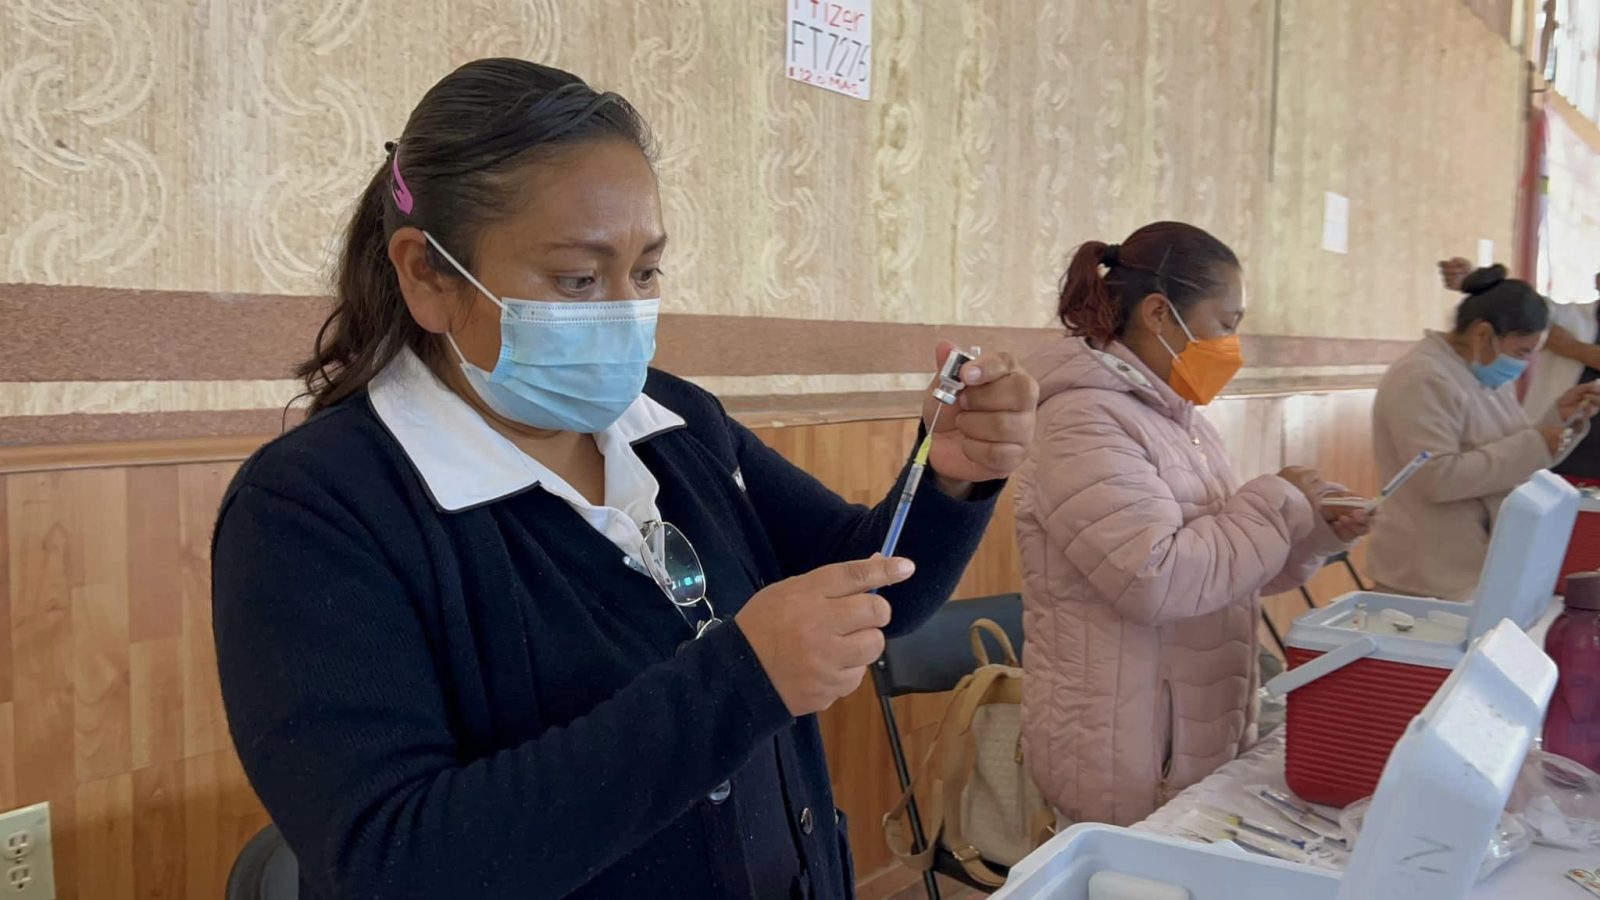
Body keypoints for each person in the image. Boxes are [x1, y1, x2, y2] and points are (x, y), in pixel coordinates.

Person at [210, 59, 1040, 900]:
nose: (622, 311)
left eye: (644, 273)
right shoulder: (313, 510)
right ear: (426, 273)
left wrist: (946, 482)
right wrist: (740, 681)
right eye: (577, 278)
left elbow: (864, 589)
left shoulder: (676, 423)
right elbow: (392, 857)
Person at [1014, 221, 1369, 827]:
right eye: (1226, 323)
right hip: (1130, 753)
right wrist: (1279, 500)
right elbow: (1160, 579)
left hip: (1191, 733)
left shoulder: (1183, 421)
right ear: (1159, 313)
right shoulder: (1083, 420)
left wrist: (1314, 531)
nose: (1233, 343)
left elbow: (1223, 572)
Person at [1368, 264, 1600, 601]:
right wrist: (1537, 442)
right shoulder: (1422, 378)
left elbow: (1512, 449)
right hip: (1427, 573)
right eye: (1522, 352)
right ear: (1482, 334)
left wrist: (1560, 419)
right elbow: (1436, 476)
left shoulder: (1484, 371)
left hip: (1478, 563)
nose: (1522, 365)